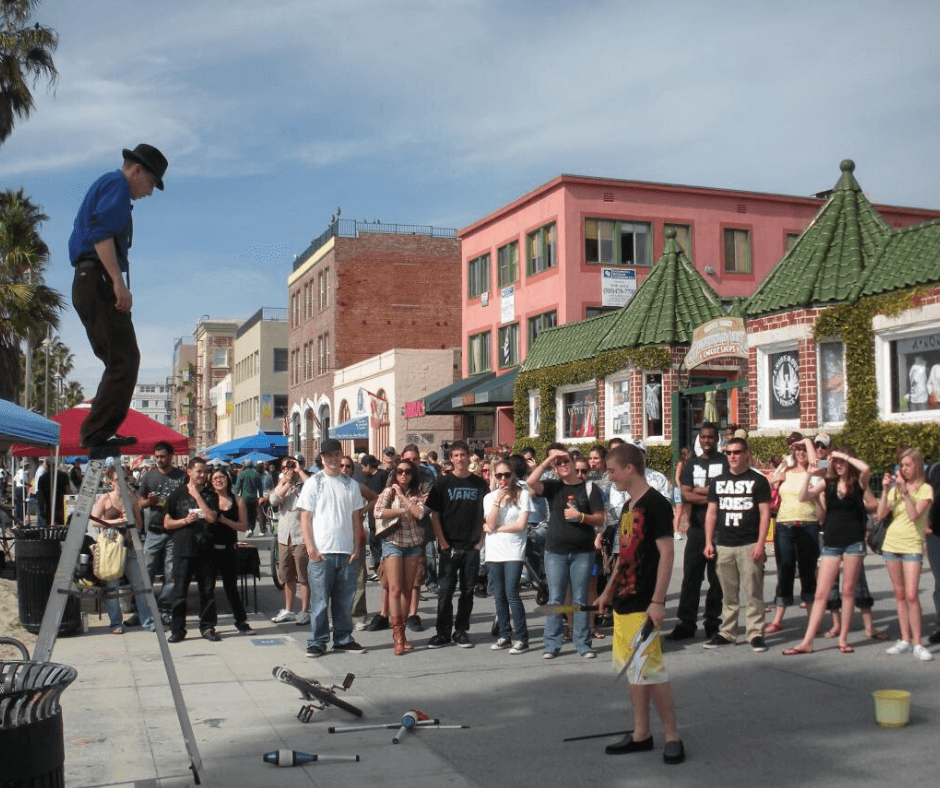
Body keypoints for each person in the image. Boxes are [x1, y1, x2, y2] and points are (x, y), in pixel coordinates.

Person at [69, 143, 168, 449]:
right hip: (95, 277)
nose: (149, 192)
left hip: (88, 279)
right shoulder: (117, 185)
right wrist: (117, 282)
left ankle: (98, 430)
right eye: (151, 183)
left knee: (119, 360)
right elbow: (101, 233)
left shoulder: (107, 185)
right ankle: (96, 432)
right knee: (125, 360)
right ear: (137, 170)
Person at [595, 444, 684, 764]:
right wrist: (607, 591)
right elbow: (625, 554)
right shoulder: (629, 506)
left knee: (653, 672)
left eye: (613, 470)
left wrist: (658, 601)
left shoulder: (656, 506)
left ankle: (672, 735)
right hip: (624, 600)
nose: (610, 476)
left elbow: (667, 554)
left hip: (644, 602)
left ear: (629, 468)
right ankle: (641, 733)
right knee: (636, 672)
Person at [784, 446, 874, 655]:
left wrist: (843, 455)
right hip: (832, 541)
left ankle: (843, 638)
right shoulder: (828, 483)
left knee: (849, 591)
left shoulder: (857, 483)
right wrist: (809, 474)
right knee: (821, 592)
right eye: (836, 463)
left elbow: (866, 469)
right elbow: (803, 496)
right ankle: (807, 641)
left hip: (854, 541)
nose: (839, 466)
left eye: (843, 462)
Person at [527, 443, 605, 659]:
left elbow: (601, 518)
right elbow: (530, 483)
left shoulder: (590, 488)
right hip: (556, 551)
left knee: (580, 599)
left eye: (566, 461)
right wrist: (547, 460)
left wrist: (580, 517)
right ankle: (552, 644)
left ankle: (583, 644)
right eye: (558, 463)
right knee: (556, 599)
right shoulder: (553, 487)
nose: (563, 465)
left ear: (573, 463)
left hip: (582, 551)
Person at [297, 438, 367, 657]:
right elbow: (305, 518)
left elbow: (356, 518)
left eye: (337, 454)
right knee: (319, 602)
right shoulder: (314, 482)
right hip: (322, 552)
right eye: (329, 455)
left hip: (346, 551)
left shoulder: (351, 484)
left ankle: (343, 638)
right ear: (322, 458)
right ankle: (317, 641)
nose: (334, 458)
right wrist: (311, 549)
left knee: (344, 601)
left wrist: (356, 548)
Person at [703, 437, 772, 652]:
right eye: (729, 452)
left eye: (737, 452)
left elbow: (765, 514)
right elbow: (712, 513)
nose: (732, 456)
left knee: (753, 593)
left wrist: (761, 544)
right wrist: (708, 542)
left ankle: (755, 633)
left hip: (749, 543)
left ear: (746, 454)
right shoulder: (717, 481)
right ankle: (728, 632)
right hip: (724, 544)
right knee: (728, 594)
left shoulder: (758, 480)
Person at [426, 440, 489, 649]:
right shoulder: (442, 484)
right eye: (456, 456)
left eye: (463, 455)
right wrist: (442, 542)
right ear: (451, 459)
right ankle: (442, 633)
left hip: (471, 545)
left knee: (468, 591)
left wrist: (481, 540)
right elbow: (434, 515)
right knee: (445, 591)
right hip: (449, 546)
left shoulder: (480, 484)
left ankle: (461, 631)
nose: (460, 459)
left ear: (469, 457)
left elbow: (486, 514)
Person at [668, 422, 727, 640]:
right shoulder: (692, 465)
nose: (706, 441)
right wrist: (713, 494)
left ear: (717, 438)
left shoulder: (726, 462)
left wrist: (699, 492)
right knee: (691, 578)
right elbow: (685, 495)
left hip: (721, 530)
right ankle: (686, 623)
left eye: (710, 437)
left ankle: (713, 622)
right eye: (703, 437)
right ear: (699, 439)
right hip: (696, 528)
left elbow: (727, 492)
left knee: (717, 580)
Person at [877, 448, 934, 661]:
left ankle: (918, 643)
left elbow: (913, 516)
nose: (904, 469)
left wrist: (905, 495)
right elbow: (881, 514)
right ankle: (905, 639)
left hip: (911, 546)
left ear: (917, 465)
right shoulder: (895, 489)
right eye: (902, 466)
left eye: (908, 465)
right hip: (892, 544)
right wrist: (885, 491)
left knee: (911, 595)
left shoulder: (925, 489)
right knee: (899, 595)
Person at [765, 432, 819, 634]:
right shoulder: (785, 468)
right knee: (784, 571)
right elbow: (769, 482)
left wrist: (806, 441)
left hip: (808, 524)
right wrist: (774, 479)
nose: (800, 452)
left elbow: (815, 461)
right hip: (784, 526)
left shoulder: (816, 470)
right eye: (797, 449)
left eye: (803, 448)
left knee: (808, 572)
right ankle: (778, 619)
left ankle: (812, 620)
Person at [373, 458, 428, 655]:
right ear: (394, 474)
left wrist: (404, 500)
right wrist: (401, 510)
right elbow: (377, 512)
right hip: (392, 543)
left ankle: (403, 633)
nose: (403, 475)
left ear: (413, 475)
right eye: (400, 471)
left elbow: (419, 514)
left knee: (407, 590)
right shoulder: (388, 491)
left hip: (412, 544)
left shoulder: (416, 493)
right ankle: (397, 636)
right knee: (394, 589)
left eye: (407, 472)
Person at [163, 458, 219, 643]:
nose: (203, 475)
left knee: (208, 592)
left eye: (205, 472)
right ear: (189, 472)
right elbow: (167, 523)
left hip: (206, 550)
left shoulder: (211, 495)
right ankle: (178, 629)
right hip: (183, 549)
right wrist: (185, 521)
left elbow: (211, 518)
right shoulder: (176, 495)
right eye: (199, 471)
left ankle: (207, 626)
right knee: (179, 593)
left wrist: (197, 496)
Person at [90, 466, 152, 634]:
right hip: (110, 546)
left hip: (129, 545)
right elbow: (94, 521)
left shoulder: (131, 497)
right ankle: (115, 622)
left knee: (139, 584)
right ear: (112, 482)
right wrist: (116, 521)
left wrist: (131, 518)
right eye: (120, 479)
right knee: (112, 585)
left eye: (127, 478)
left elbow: (139, 524)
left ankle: (147, 621)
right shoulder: (105, 498)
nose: (125, 482)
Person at [484, 460, 532, 654]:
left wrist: (495, 529)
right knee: (499, 595)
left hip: (513, 550)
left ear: (513, 476)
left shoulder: (523, 495)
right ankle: (504, 634)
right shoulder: (489, 498)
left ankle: (521, 638)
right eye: (499, 476)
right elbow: (490, 521)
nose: (503, 479)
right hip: (494, 551)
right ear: (494, 477)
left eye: (507, 475)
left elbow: (521, 526)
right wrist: (497, 501)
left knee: (512, 592)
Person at [138, 441, 187, 625]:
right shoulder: (148, 477)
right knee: (147, 570)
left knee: (171, 573)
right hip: (153, 530)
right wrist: (149, 502)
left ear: (170, 456)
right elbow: (139, 503)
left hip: (174, 531)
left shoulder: (181, 477)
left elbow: (187, 501)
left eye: (162, 456)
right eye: (156, 456)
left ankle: (164, 608)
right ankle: (143, 608)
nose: (159, 460)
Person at [269, 455, 311, 625]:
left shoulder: (305, 482)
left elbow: (313, 489)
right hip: (284, 536)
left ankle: (304, 610)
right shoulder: (283, 484)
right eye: (284, 467)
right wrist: (286, 483)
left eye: (290, 466)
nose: (287, 469)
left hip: (301, 536)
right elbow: (273, 500)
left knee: (304, 576)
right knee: (287, 576)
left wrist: (299, 471)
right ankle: (288, 609)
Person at [209, 468, 251, 634]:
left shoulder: (237, 500)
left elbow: (243, 526)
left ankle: (241, 622)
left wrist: (224, 520)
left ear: (227, 479)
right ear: (211, 483)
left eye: (221, 477)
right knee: (208, 588)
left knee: (231, 588)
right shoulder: (209, 500)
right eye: (215, 478)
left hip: (229, 549)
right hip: (210, 550)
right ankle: (209, 625)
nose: (219, 480)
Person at [234, 458, 263, 536]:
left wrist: (236, 494)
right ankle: (252, 529)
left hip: (244, 497)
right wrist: (261, 495)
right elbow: (260, 487)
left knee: (246, 513)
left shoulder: (241, 474)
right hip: (254, 497)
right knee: (253, 514)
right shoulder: (256, 474)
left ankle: (248, 529)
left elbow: (238, 486)